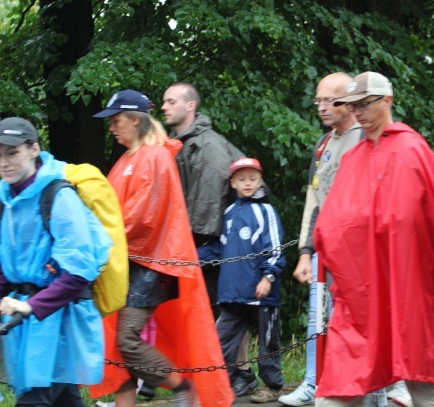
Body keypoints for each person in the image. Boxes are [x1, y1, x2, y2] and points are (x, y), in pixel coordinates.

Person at [313, 72, 434, 406]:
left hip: (407, 282)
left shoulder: (411, 149)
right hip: (363, 289)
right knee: (340, 381)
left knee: (420, 377)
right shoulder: (353, 157)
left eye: (366, 104)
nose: (359, 113)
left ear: (387, 101)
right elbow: (336, 219)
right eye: (354, 106)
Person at [89, 90, 234, 407]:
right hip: (128, 262)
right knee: (115, 343)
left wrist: (99, 242)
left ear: (135, 120)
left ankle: (180, 385)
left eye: (116, 121)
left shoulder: (154, 156)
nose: (112, 128)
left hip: (151, 262)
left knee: (126, 338)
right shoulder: (128, 158)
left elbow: (143, 217)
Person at [0, 117, 111, 406]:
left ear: (33, 149)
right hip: (24, 322)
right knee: (64, 398)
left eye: (11, 153)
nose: (4, 162)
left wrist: (32, 305)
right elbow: (5, 265)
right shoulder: (6, 198)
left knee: (35, 399)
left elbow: (79, 271)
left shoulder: (58, 195)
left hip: (57, 321)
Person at [281, 72, 364, 406]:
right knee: (317, 315)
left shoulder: (364, 138)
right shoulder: (324, 143)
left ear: (348, 101)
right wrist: (305, 251)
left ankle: (388, 383)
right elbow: (313, 201)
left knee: (359, 319)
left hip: (356, 251)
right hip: (324, 247)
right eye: (319, 100)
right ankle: (313, 383)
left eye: (330, 100)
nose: (323, 107)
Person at [162, 81, 245, 319]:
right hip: (189, 245)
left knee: (214, 317)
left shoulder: (208, 146)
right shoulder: (176, 144)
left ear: (190, 105)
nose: (164, 107)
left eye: (171, 101)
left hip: (211, 248)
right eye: (164, 101)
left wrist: (183, 245)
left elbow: (206, 211)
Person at [215, 157, 286, 403]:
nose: (248, 183)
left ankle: (273, 386)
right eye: (242, 179)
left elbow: (275, 248)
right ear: (233, 182)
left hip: (260, 292)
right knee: (219, 340)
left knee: (268, 341)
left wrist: (268, 277)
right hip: (232, 292)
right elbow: (221, 250)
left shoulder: (265, 210)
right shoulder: (229, 212)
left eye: (253, 179)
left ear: (260, 180)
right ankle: (216, 384)